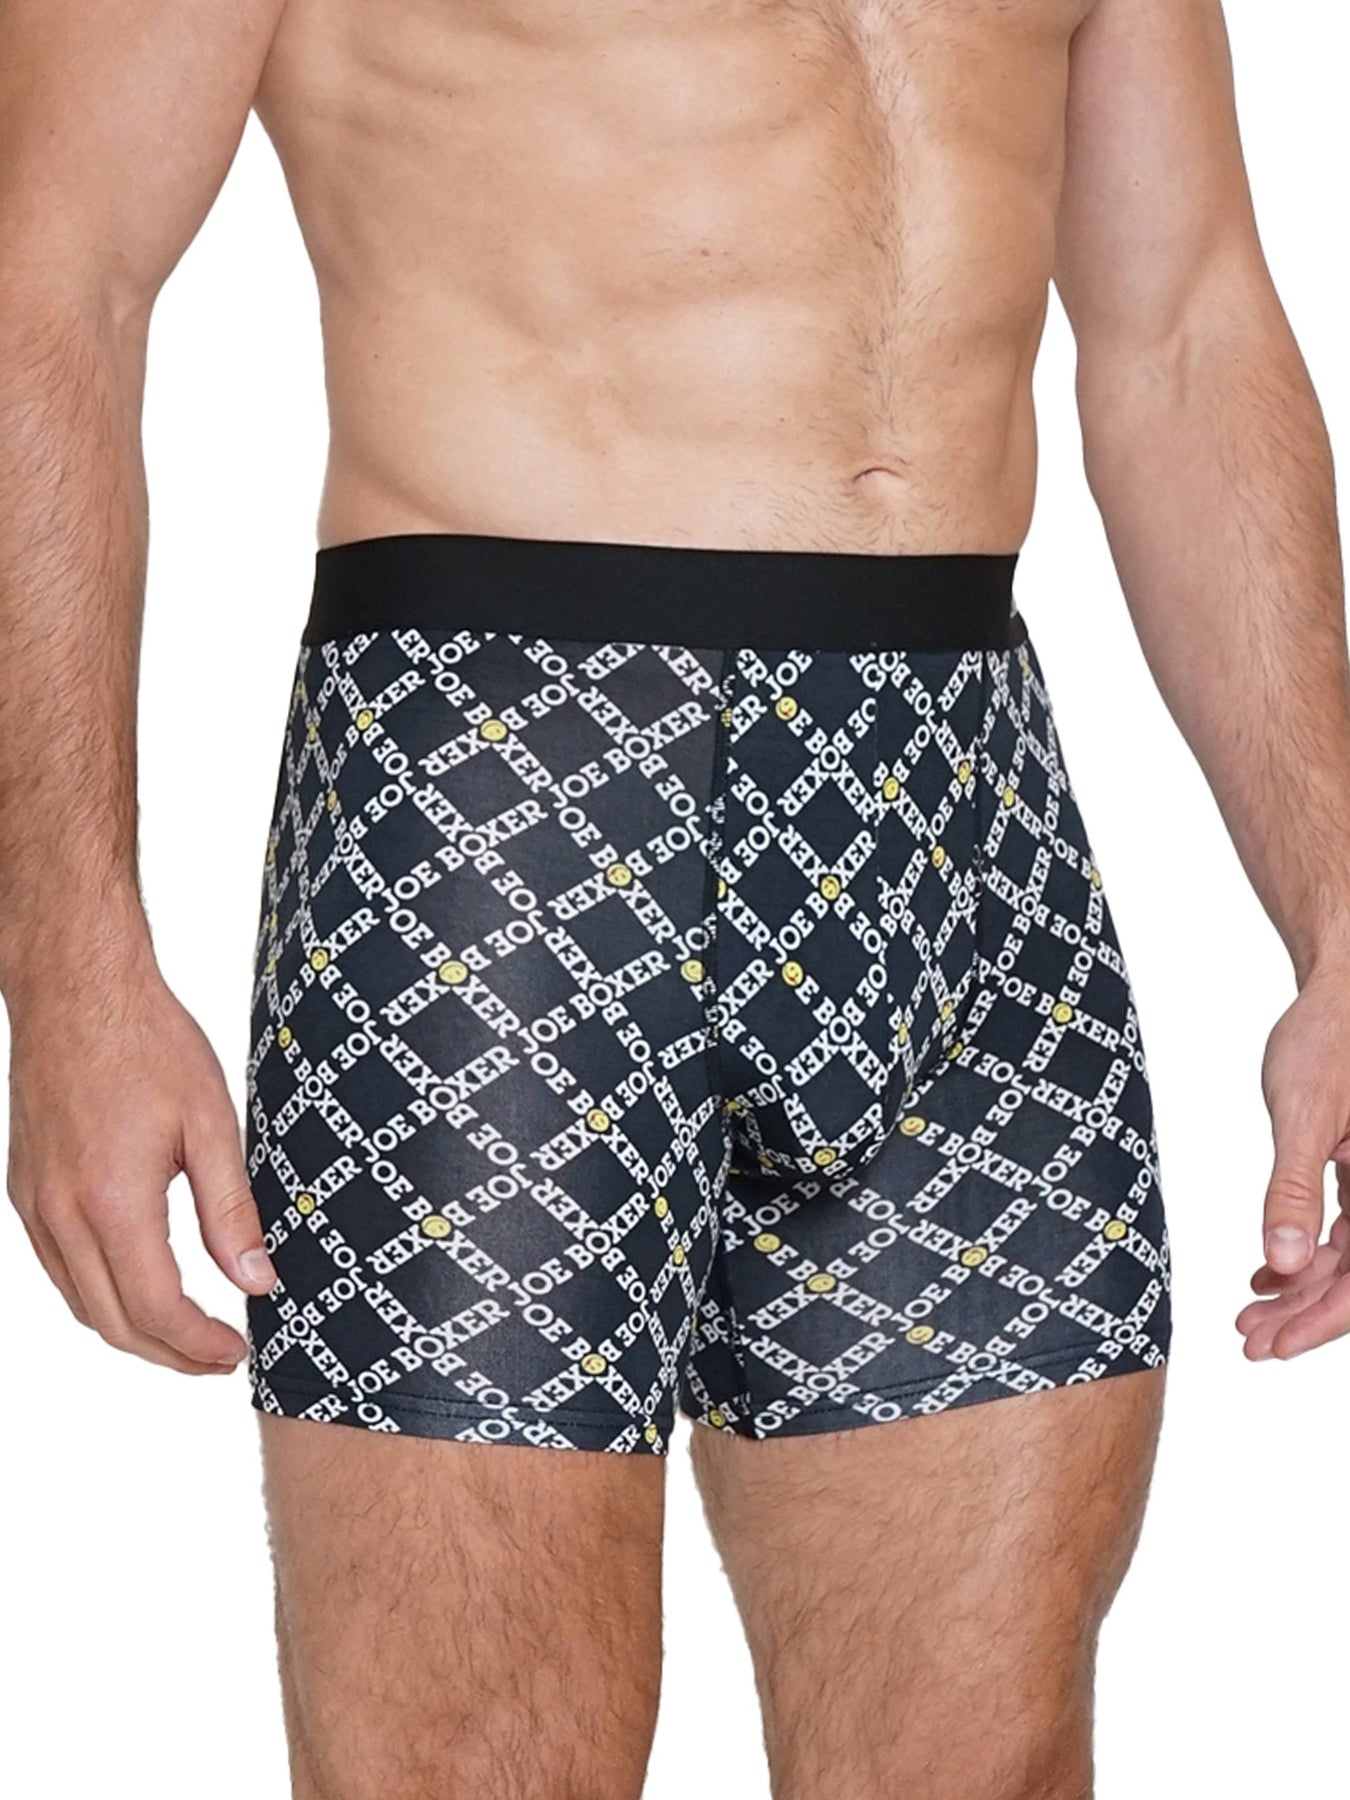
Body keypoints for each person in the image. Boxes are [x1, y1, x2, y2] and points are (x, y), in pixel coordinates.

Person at [1, 0, 1346, 1794]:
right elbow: (50, 283)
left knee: (991, 1754)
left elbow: (1183, 326)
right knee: (477, 1760)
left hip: (960, 812)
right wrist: (71, 968)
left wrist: (1335, 913)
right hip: (504, 818)